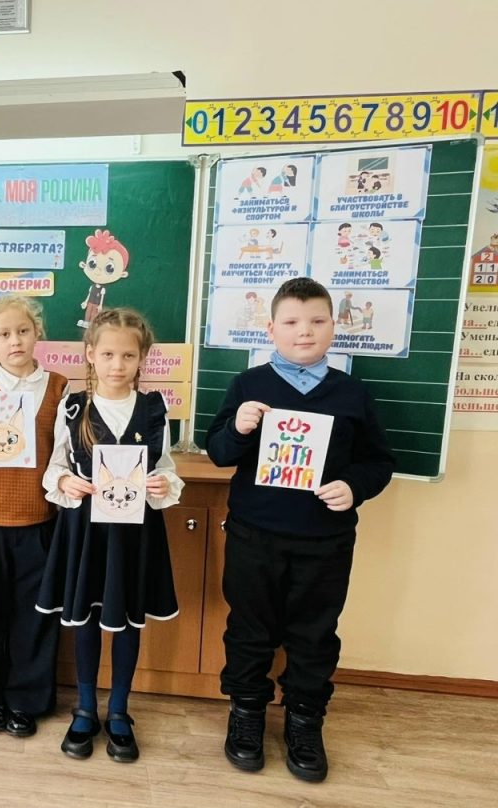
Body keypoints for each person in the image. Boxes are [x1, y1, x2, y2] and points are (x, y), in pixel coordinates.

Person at [205, 277, 395, 783]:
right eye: (290, 322)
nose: (304, 331)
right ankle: (247, 712)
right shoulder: (249, 385)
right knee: (250, 629)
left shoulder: (352, 393)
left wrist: (353, 486)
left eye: (316, 321)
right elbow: (218, 452)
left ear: (334, 327)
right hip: (254, 535)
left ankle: (305, 719)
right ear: (271, 329)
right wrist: (238, 426)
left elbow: (378, 462)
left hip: (325, 541)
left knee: (314, 634)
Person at [36, 308, 183, 762]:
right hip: (85, 531)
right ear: (90, 355)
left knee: (127, 619)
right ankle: (85, 707)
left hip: (134, 535)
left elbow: (166, 468)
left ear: (142, 359)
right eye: (108, 354)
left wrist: (163, 485)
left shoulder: (154, 409)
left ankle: (119, 709)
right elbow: (56, 467)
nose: (117, 364)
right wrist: (65, 482)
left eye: (128, 355)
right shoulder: (73, 406)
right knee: (84, 618)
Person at [0, 294, 68, 738]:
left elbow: (63, 453)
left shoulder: (59, 387)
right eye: (4, 334)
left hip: (37, 519)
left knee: (33, 616)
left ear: (37, 332)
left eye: (23, 331)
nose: (15, 340)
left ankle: (26, 700)